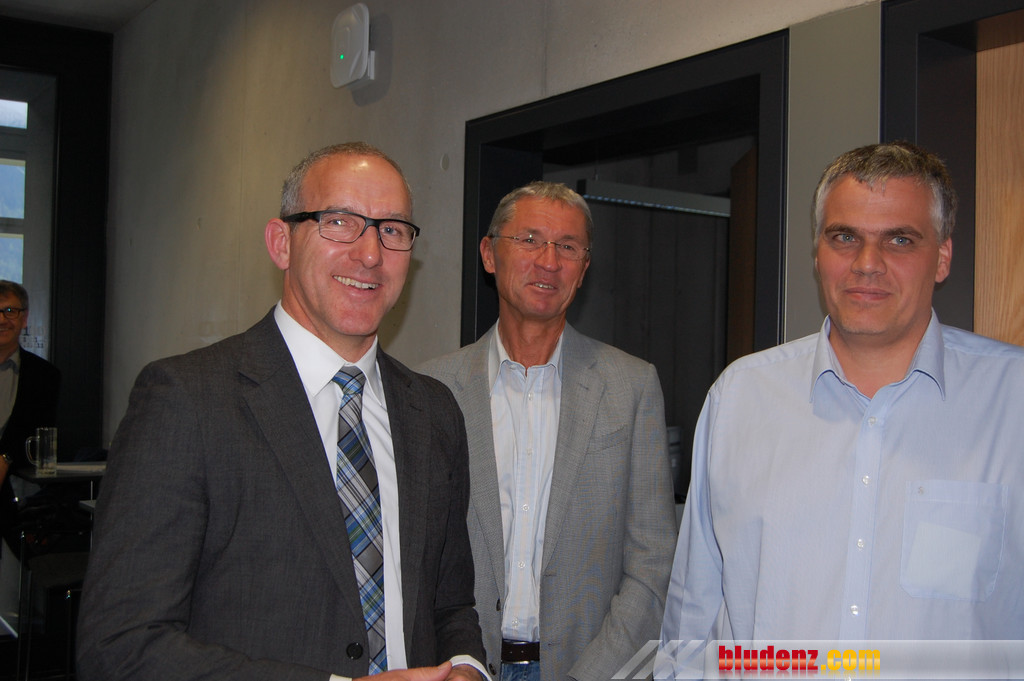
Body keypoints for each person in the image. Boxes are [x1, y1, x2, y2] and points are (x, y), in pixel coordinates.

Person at [78, 143, 486, 681]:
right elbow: (120, 646)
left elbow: (451, 604)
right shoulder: (187, 400)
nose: (370, 253)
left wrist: (467, 667)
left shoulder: (433, 411)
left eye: (391, 229)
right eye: (339, 221)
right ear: (281, 243)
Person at [657, 142, 1024, 676]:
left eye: (899, 239)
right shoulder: (740, 398)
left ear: (942, 257)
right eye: (844, 237)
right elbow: (692, 617)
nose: (867, 264)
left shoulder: (1012, 401)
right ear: (817, 253)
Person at [420, 181, 677, 681]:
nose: (549, 261)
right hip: (462, 668)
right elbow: (417, 558)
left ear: (583, 269)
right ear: (489, 254)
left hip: (588, 666)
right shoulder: (432, 389)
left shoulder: (631, 387)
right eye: (530, 240)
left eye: (568, 247)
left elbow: (653, 567)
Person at [0, 280, 60, 552]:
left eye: (10, 311)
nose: (2, 319)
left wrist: (5, 458)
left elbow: (39, 435)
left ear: (24, 319)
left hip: (16, 497)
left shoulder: (44, 376)